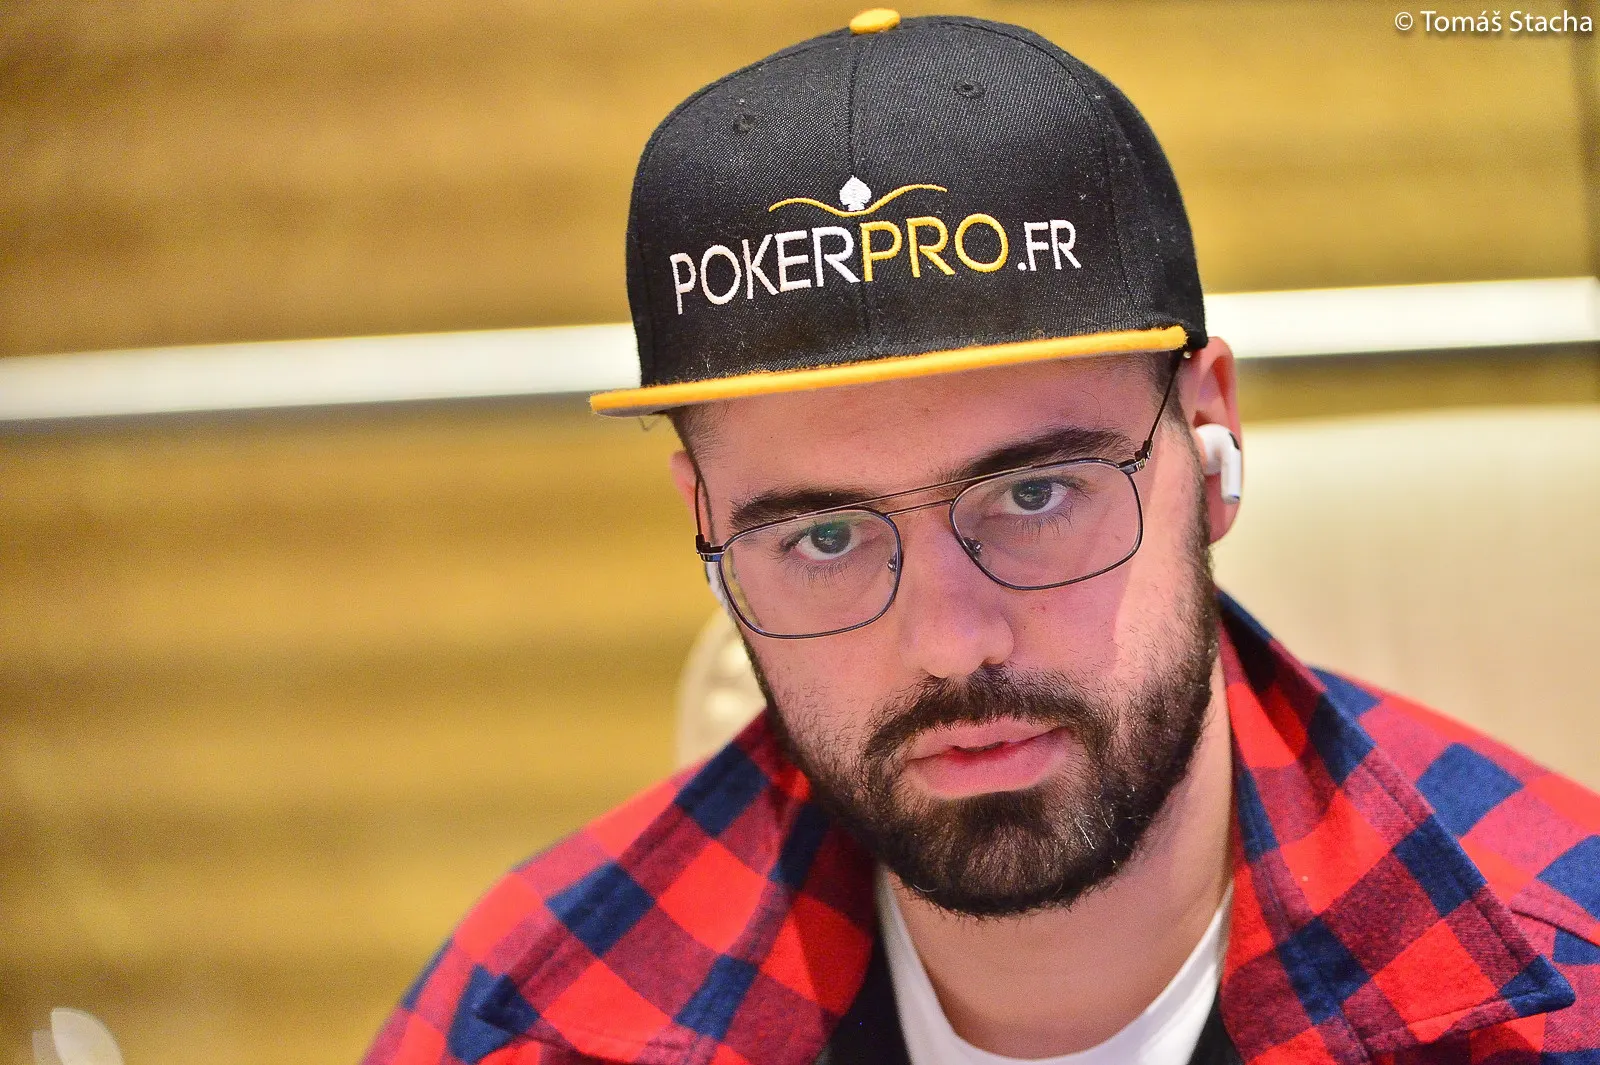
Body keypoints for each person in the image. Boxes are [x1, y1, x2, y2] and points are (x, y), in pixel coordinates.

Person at [364, 12, 1599, 1064]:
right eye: (825, 535)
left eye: (1036, 495)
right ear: (703, 519)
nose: (952, 645)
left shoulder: (1563, 993)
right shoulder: (531, 1019)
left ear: (1210, 437)